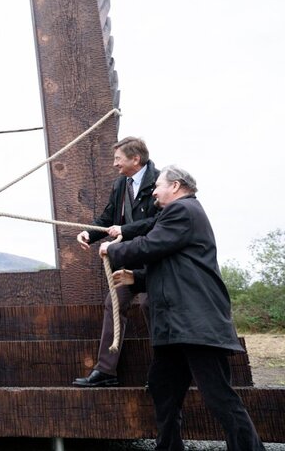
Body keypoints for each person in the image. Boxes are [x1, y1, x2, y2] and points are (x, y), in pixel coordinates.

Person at [101, 166, 264, 450]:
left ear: (175, 186)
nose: (153, 191)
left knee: (218, 395)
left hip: (195, 324)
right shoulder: (179, 216)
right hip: (177, 326)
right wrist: (137, 278)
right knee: (163, 387)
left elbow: (152, 245)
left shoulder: (183, 211)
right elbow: (173, 265)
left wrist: (112, 250)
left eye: (158, 186)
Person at [73, 136, 159, 387]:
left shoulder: (160, 182)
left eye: (118, 159)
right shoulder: (120, 184)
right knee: (113, 301)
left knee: (149, 304)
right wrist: (90, 234)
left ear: (136, 159)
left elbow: (157, 223)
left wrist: (124, 230)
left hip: (153, 258)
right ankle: (106, 372)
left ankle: (165, 372)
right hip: (128, 257)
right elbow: (108, 218)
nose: (114, 164)